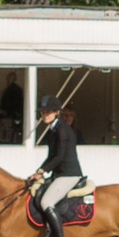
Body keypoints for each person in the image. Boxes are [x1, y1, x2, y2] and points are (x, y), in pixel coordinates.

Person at [32, 94, 86, 224]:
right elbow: (50, 156)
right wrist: (38, 171)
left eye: (48, 112)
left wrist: (42, 171)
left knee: (46, 202)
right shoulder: (53, 129)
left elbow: (59, 157)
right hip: (60, 174)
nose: (44, 115)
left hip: (69, 174)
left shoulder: (62, 130)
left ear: (56, 112)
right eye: (42, 112)